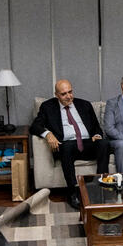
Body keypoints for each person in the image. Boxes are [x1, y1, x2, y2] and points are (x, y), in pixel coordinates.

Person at [31, 79, 109, 209]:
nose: (68, 96)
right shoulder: (47, 107)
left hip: (87, 143)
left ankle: (100, 187)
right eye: (64, 94)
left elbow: (96, 127)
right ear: (56, 95)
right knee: (66, 146)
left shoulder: (84, 105)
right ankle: (72, 192)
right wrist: (48, 134)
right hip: (67, 145)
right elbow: (35, 126)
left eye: (70, 92)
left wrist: (97, 135)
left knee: (104, 144)